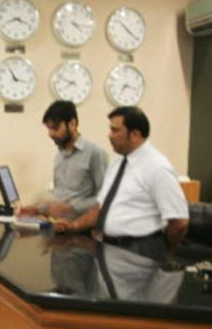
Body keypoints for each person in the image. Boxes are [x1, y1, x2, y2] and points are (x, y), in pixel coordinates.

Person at [55, 106, 189, 259]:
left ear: (135, 135)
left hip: (140, 251)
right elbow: (101, 208)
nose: (109, 135)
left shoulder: (157, 167)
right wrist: (73, 226)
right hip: (109, 247)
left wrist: (162, 251)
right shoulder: (117, 163)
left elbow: (179, 222)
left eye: (115, 130)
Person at [17, 100, 108, 219]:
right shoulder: (59, 156)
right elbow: (60, 197)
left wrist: (71, 207)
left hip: (82, 226)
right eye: (49, 129)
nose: (51, 134)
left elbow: (106, 197)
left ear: (72, 124)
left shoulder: (95, 153)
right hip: (58, 224)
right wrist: (36, 209)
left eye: (55, 128)